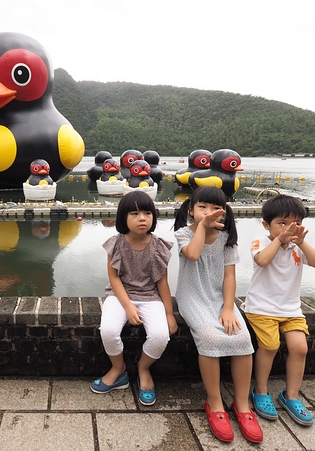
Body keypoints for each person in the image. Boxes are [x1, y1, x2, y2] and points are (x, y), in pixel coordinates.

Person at [173, 186, 262, 444]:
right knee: (211, 338)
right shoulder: (183, 234)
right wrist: (203, 226)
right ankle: (215, 403)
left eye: (215, 208)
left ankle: (242, 405)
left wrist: (228, 307)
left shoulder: (226, 239)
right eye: (202, 207)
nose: (209, 213)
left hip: (220, 298)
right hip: (193, 296)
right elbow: (193, 253)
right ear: (191, 209)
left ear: (224, 211)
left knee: (243, 339)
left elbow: (230, 275)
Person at [242, 194, 315, 427]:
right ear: (266, 225)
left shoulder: (298, 246)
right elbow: (262, 260)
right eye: (282, 223)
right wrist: (279, 240)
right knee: (269, 346)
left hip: (291, 309)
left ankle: (291, 396)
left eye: (295, 223)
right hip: (261, 307)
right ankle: (260, 391)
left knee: (300, 348)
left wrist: (301, 242)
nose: (289, 228)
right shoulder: (261, 240)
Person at [91, 190, 177, 406]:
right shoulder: (116, 243)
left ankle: (143, 369)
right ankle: (118, 369)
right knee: (108, 331)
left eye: (147, 213)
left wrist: (169, 313)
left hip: (150, 297)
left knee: (160, 335)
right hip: (120, 296)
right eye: (135, 213)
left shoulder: (159, 246)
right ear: (123, 217)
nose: (142, 218)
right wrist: (128, 307)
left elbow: (162, 282)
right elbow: (114, 277)